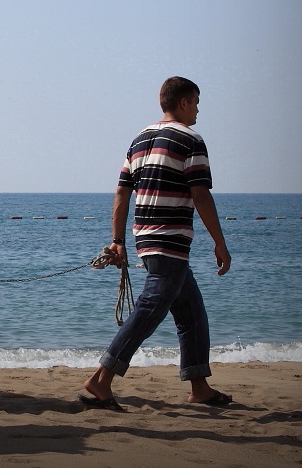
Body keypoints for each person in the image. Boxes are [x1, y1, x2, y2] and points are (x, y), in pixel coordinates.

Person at [80, 76, 233, 411]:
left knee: (191, 313)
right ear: (182, 103)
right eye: (195, 102)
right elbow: (200, 193)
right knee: (150, 309)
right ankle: (101, 378)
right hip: (170, 240)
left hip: (144, 237)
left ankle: (199, 386)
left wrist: (118, 240)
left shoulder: (139, 140)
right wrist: (220, 242)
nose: (197, 110)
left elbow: (122, 192)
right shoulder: (191, 139)